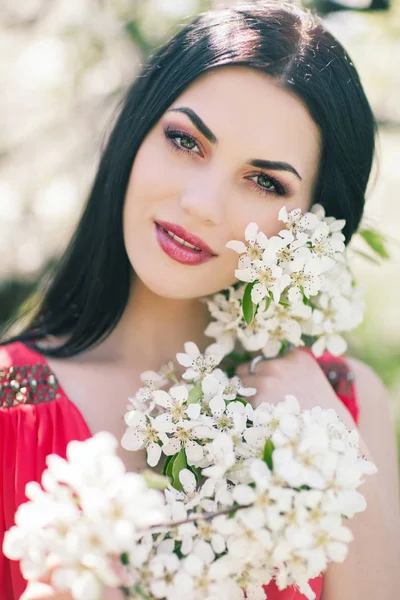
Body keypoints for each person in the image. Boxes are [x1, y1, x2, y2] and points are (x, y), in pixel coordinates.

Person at [1, 1, 399, 599]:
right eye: (185, 142)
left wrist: (331, 446)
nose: (202, 203)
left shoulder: (343, 403)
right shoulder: (11, 411)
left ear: (314, 228)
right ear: (136, 131)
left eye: (265, 181)